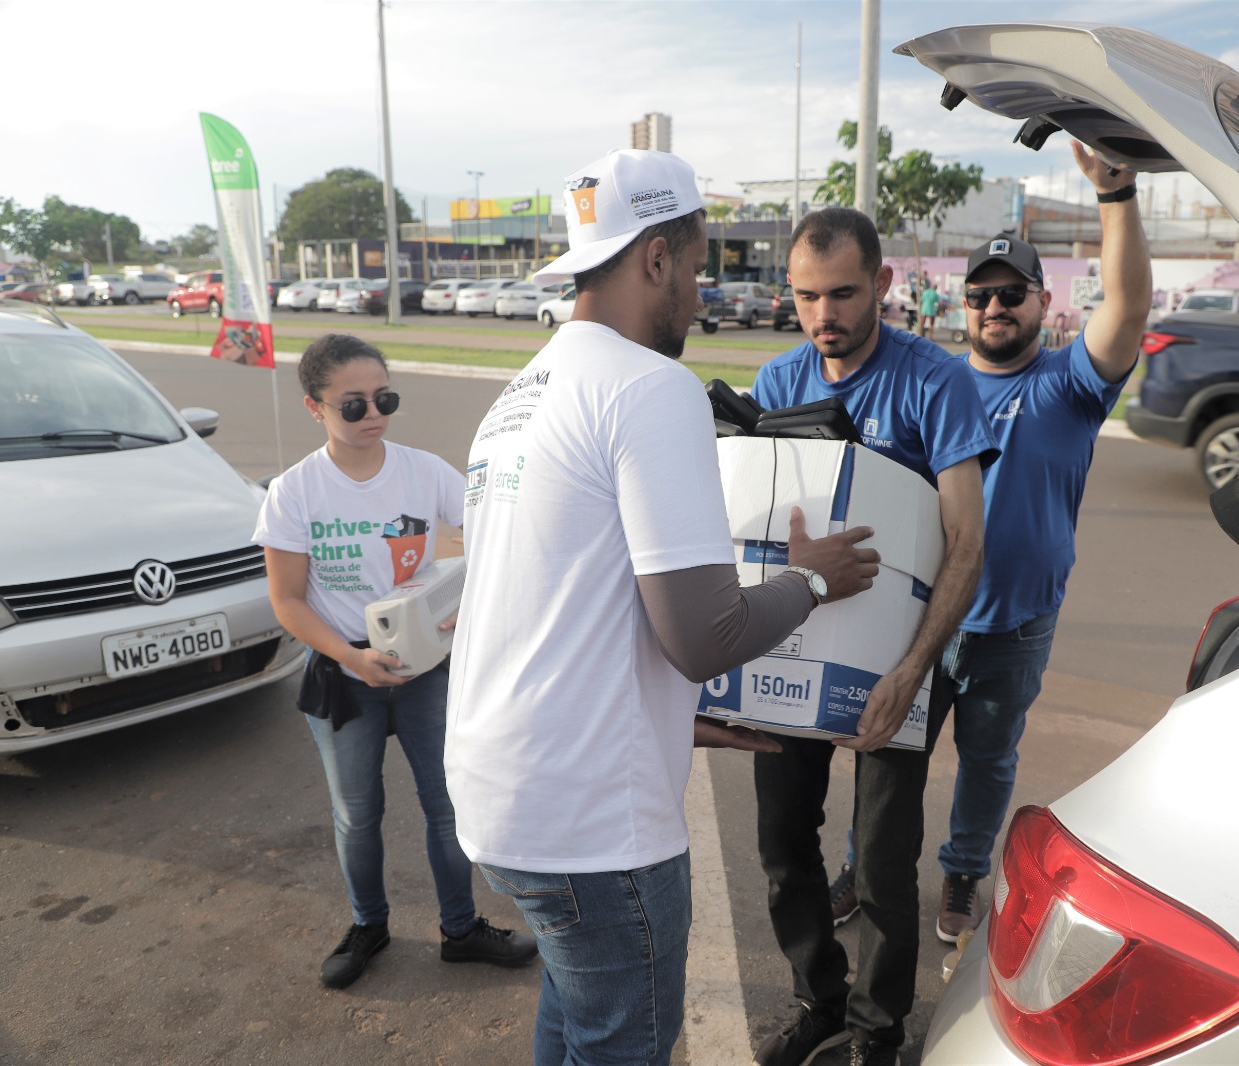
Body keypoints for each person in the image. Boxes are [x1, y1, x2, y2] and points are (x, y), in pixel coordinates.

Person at [441, 150, 879, 1066]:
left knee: (574, 1010)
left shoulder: (518, 399)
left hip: (502, 791)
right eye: (697, 262)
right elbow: (706, 635)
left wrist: (676, 719)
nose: (700, 286)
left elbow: (559, 606)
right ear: (656, 259)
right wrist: (812, 580)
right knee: (623, 1042)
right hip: (593, 828)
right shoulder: (650, 389)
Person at [748, 207, 996, 1066]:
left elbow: (968, 542)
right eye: (808, 295)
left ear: (884, 285)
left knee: (886, 867)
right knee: (783, 847)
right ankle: (818, 1000)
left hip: (900, 664)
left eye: (845, 293)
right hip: (795, 652)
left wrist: (912, 672)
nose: (826, 315)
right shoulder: (777, 383)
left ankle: (876, 1031)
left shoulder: (937, 383)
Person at [254, 333, 537, 990]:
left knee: (446, 805)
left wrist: (465, 601)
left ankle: (461, 930)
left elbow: (490, 530)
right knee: (357, 813)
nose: (373, 413)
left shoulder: (423, 471)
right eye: (352, 404)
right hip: (343, 678)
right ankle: (369, 924)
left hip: (424, 673)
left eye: (385, 397)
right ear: (313, 407)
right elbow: (288, 602)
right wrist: (350, 656)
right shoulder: (295, 493)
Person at [926, 142, 1151, 943]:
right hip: (926, 618)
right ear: (965, 306)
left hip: (1016, 626)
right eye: (980, 294)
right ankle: (867, 865)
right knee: (892, 762)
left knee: (988, 763)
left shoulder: (1069, 384)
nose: (994, 307)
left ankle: (961, 874)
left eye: (1010, 293)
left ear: (1040, 301)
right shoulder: (936, 382)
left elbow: (1125, 308)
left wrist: (1116, 195)